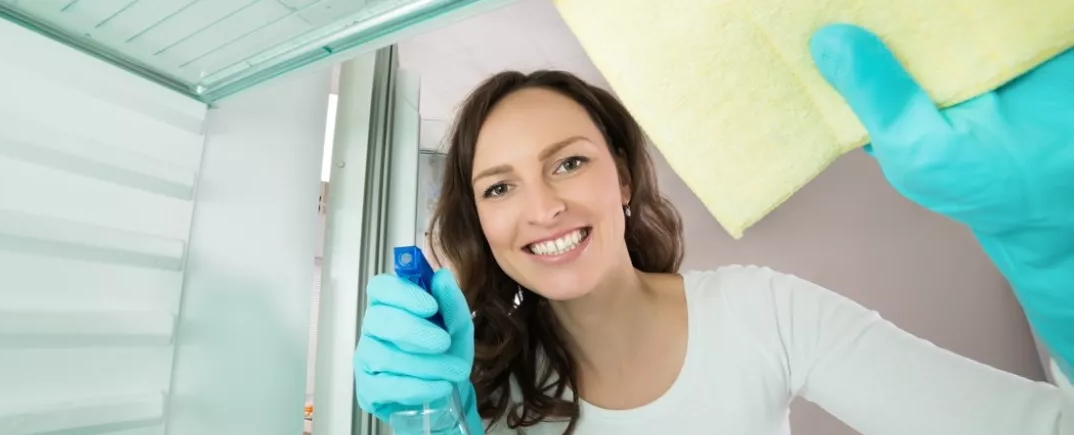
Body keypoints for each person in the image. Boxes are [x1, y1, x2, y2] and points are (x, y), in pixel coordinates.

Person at [354, 23, 1074, 435]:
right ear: (480, 219)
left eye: (568, 163)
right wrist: (436, 422)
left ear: (623, 178)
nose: (542, 207)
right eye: (501, 186)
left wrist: (1060, 255)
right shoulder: (483, 387)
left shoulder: (764, 312)